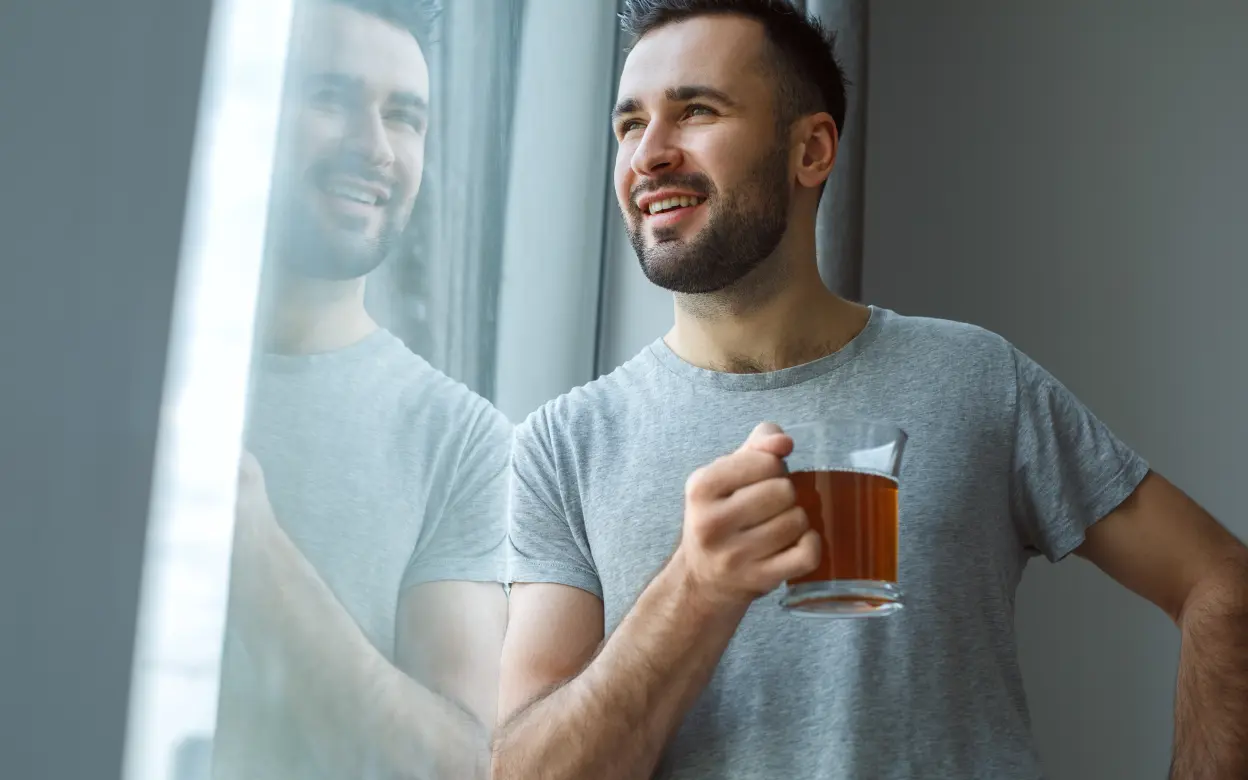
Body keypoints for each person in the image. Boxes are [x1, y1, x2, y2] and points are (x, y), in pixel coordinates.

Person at [495, 1, 1248, 779]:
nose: (648, 154)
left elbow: (1222, 583)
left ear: (812, 150)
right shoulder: (562, 445)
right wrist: (693, 590)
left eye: (695, 111)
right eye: (629, 124)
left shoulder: (978, 378)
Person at [212, 1, 509, 778]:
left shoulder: (461, 441)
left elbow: (457, 767)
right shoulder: (124, 360)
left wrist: (254, 552)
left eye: (404, 117)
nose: (374, 148)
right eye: (329, 98)